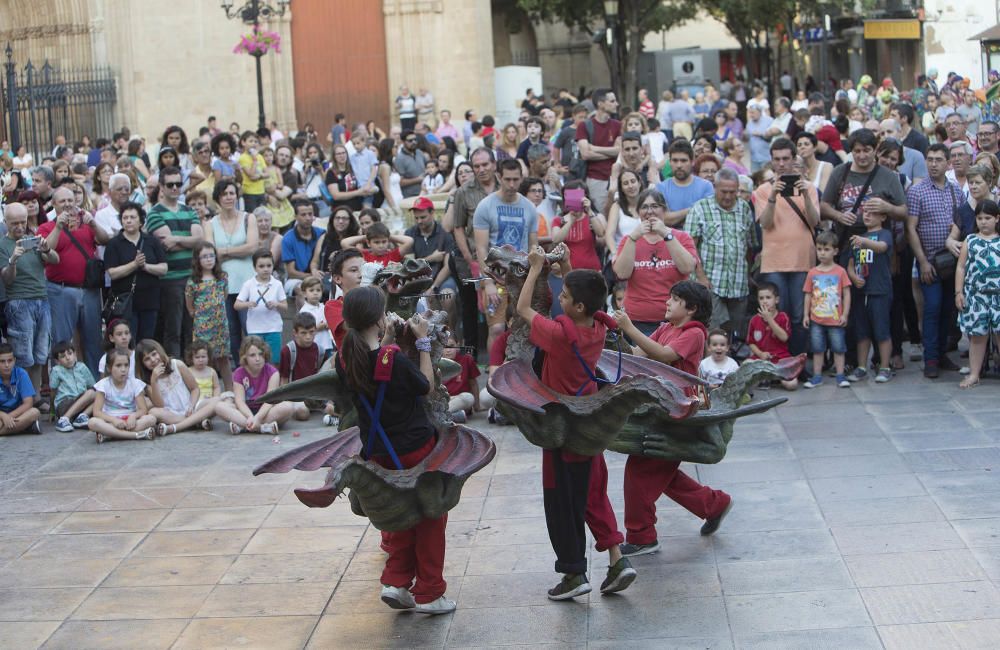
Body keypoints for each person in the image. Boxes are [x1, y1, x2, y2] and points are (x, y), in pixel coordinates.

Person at [516, 248, 637, 599]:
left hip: (562, 429)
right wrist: (567, 267)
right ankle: (617, 559)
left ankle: (573, 573)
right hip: (590, 423)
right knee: (593, 493)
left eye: (565, 295)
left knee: (562, 502)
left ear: (578, 306)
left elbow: (524, 310)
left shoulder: (558, 335)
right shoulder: (598, 327)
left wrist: (535, 268)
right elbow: (586, 297)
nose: (560, 297)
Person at [335, 286, 456, 613]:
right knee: (431, 515)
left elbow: (375, 363)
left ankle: (396, 581)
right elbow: (426, 387)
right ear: (377, 317)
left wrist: (385, 338)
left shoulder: (344, 359)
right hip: (415, 450)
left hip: (378, 453)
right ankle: (430, 591)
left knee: (399, 512)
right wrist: (423, 342)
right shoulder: (395, 360)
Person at [613, 281, 733, 556]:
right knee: (661, 473)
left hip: (675, 413)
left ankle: (642, 536)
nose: (667, 302)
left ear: (691, 309)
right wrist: (615, 337)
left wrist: (630, 327)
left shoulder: (695, 333)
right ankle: (714, 504)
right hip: (656, 408)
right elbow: (638, 353)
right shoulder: (667, 328)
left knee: (640, 473)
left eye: (675, 299)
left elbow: (665, 356)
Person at [755, 138, 821, 355]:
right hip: (774, 263)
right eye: (777, 159)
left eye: (786, 159)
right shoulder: (763, 190)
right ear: (772, 161)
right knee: (777, 315)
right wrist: (773, 195)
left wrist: (805, 196)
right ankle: (779, 362)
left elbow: (814, 221)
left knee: (799, 315)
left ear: (794, 160)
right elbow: (765, 223)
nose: (782, 164)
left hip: (802, 261)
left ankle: (799, 362)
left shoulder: (810, 188)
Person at [39, 186, 111, 377]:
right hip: (60, 290)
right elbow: (47, 250)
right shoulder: (46, 226)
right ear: (54, 205)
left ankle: (97, 385)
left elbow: (105, 240)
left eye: (70, 200)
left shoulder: (87, 223)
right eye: (62, 201)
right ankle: (62, 388)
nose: (67, 204)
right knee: (62, 342)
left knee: (93, 340)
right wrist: (58, 227)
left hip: (89, 290)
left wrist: (93, 224)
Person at [906, 143, 964, 378]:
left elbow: (960, 224)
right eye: (930, 159)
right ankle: (930, 357)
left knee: (948, 310)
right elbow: (911, 229)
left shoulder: (955, 191)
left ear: (947, 163)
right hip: (930, 261)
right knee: (932, 307)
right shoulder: (917, 191)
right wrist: (922, 261)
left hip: (952, 262)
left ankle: (941, 354)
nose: (933, 164)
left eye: (939, 160)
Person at [613, 188, 698, 336]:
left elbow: (688, 268)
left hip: (675, 320)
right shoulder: (629, 239)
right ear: (638, 212)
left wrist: (666, 234)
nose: (650, 211)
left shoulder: (681, 237)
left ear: (664, 210)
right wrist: (633, 238)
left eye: (655, 206)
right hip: (637, 321)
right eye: (644, 207)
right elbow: (621, 273)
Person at [474, 159, 538, 350]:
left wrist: (533, 279)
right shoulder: (486, 206)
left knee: (523, 327)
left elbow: (533, 246)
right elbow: (481, 249)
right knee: (496, 328)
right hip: (495, 277)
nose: (511, 184)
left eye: (516, 180)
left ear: (521, 179)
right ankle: (494, 371)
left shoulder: (529, 207)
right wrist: (488, 283)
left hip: (521, 278)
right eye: (507, 179)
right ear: (499, 177)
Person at [686, 167, 759, 335]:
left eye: (732, 192)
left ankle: (728, 361)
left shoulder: (745, 208)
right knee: (714, 330)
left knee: (730, 332)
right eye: (723, 191)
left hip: (737, 283)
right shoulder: (700, 208)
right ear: (715, 188)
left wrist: (748, 275)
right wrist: (700, 276)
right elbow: (690, 247)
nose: (727, 196)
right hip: (711, 282)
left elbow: (749, 245)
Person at [145, 166, 203, 359]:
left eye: (178, 184)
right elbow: (166, 245)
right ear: (161, 186)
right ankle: (176, 371)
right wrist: (188, 240)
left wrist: (178, 240)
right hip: (170, 280)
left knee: (192, 328)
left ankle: (192, 372)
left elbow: (199, 241)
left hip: (192, 277)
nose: (175, 188)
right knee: (173, 330)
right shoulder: (155, 213)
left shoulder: (190, 210)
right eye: (170, 184)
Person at [0, 202, 58, 391]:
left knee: (41, 353)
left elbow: (56, 260)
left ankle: (35, 397)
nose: (18, 227)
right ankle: (21, 397)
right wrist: (13, 260)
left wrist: (46, 249)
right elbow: (7, 279)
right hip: (18, 301)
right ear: (6, 222)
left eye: (22, 222)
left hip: (42, 299)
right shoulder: (3, 245)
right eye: (14, 223)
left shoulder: (32, 239)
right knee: (23, 355)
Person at [215, 336, 308, 435]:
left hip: (266, 411)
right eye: (252, 355)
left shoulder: (273, 372)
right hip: (245, 411)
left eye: (260, 354)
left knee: (288, 407)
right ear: (244, 357)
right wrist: (250, 416)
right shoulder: (239, 373)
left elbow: (270, 401)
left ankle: (243, 426)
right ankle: (262, 428)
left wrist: (257, 417)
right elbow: (240, 401)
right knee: (219, 406)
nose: (258, 359)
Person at [103, 201, 168, 340]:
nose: (128, 221)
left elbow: (163, 268)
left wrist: (146, 267)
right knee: (128, 340)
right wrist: (134, 265)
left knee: (147, 340)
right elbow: (112, 273)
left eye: (132, 217)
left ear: (141, 221)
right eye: (125, 218)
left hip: (150, 300)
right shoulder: (114, 244)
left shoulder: (151, 241)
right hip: (125, 303)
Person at [844, 202, 894, 383]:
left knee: (882, 330)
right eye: (865, 213)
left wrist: (864, 242)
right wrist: (853, 276)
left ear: (883, 217)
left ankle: (885, 366)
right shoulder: (858, 238)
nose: (867, 216)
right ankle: (861, 366)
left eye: (873, 213)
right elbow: (850, 264)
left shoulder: (884, 234)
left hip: (879, 290)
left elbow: (882, 247)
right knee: (862, 332)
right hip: (861, 291)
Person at [955, 199, 1000, 388]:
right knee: (977, 338)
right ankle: (974, 373)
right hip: (976, 296)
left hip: (998, 296)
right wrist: (958, 292)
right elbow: (961, 267)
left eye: (988, 218)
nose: (983, 222)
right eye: (980, 218)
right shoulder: (970, 240)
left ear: (997, 218)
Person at [802, 230, 852, 388]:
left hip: (835, 319)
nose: (822, 253)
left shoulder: (840, 271)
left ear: (835, 251)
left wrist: (845, 314)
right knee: (817, 349)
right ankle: (817, 376)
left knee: (838, 348)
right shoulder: (812, 273)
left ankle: (840, 375)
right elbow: (808, 295)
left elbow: (847, 294)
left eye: (826, 249)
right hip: (816, 319)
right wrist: (805, 315)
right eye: (819, 249)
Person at [136, 339, 216, 435]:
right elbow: (160, 405)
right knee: (154, 412)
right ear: (143, 364)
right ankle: (196, 421)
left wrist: (191, 405)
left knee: (217, 400)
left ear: (160, 351)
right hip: (171, 414)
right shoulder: (148, 381)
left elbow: (195, 389)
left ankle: (189, 422)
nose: (153, 360)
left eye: (154, 354)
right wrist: (154, 381)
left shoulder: (177, 364)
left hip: (191, 407)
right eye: (147, 359)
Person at [186, 241, 232, 391]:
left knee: (224, 358)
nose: (209, 259)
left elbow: (224, 297)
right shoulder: (193, 282)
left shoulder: (222, 278)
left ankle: (230, 392)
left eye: (211, 255)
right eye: (204, 256)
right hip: (202, 327)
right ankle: (209, 392)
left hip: (220, 325)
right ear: (197, 260)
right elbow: (190, 306)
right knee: (206, 358)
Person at [88, 348, 156, 442]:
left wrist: (133, 416)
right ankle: (136, 435)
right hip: (111, 421)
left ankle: (111, 435)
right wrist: (113, 420)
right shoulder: (103, 384)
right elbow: (96, 412)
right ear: (109, 368)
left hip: (130, 421)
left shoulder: (135, 383)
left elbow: (143, 409)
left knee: (151, 419)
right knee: (92, 422)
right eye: (118, 366)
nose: (123, 369)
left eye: (126, 365)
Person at [235, 251, 287, 364]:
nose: (266, 269)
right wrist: (248, 304)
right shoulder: (248, 284)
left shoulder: (277, 284)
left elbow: (285, 306)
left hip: (274, 328)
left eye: (269, 265)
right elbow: (237, 305)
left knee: (274, 360)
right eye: (261, 266)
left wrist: (276, 304)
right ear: (254, 267)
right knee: (256, 361)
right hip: (255, 329)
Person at [576, 88, 622, 213]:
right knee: (600, 217)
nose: (616, 104)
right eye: (612, 101)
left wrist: (594, 148)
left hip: (616, 179)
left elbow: (620, 151)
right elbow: (585, 154)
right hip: (595, 180)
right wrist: (612, 153)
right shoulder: (584, 125)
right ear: (601, 104)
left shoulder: (618, 125)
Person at [745, 283, 798, 390]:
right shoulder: (754, 320)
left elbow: (784, 337)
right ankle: (765, 377)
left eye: (768, 297)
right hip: (761, 359)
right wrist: (760, 353)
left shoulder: (783, 317)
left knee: (792, 385)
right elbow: (751, 342)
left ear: (776, 300)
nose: (765, 301)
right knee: (746, 365)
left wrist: (769, 319)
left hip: (780, 359)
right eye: (761, 298)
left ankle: (774, 377)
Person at [655, 140, 714, 228]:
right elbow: (664, 219)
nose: (679, 165)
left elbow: (707, 220)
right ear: (669, 162)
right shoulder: (661, 188)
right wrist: (694, 209)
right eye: (675, 160)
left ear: (692, 162)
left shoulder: (706, 186)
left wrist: (675, 217)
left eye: (683, 161)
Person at [550, 181, 606, 272]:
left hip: (591, 270)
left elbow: (601, 233)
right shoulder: (558, 220)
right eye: (573, 195)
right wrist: (571, 220)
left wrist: (589, 211)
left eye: (579, 195)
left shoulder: (591, 218)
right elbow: (556, 239)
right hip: (568, 271)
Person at [280, 198, 324, 308]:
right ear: (295, 217)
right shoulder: (288, 238)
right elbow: (291, 272)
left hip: (319, 276)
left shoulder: (321, 233)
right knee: (301, 290)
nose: (308, 218)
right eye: (303, 215)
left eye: (310, 214)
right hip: (296, 279)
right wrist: (312, 276)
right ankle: (304, 322)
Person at [50, 340, 96, 432]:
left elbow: (93, 385)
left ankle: (82, 417)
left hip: (81, 404)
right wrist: (52, 412)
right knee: (92, 393)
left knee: (99, 394)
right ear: (57, 361)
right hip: (65, 404)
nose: (68, 358)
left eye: (70, 353)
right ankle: (64, 419)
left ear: (75, 355)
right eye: (63, 356)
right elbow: (53, 392)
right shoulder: (56, 370)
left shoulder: (82, 367)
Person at [324, 248, 364, 353]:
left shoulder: (379, 298)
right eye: (354, 270)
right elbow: (355, 327)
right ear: (337, 278)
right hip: (352, 364)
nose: (361, 275)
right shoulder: (333, 306)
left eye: (364, 269)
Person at [0, 342, 41, 435]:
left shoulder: (21, 374)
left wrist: (8, 417)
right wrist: (3, 416)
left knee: (34, 412)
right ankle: (24, 427)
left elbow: (28, 403)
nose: (7, 365)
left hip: (18, 414)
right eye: (2, 361)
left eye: (10, 361)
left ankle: (5, 430)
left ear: (14, 360)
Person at [280, 311, 322, 388]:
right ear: (295, 333)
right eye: (303, 333)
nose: (308, 337)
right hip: (293, 396)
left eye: (311, 332)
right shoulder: (287, 351)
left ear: (316, 331)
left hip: (312, 395)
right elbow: (284, 379)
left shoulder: (320, 351)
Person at [237, 131, 268, 212]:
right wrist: (254, 161)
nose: (253, 143)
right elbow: (251, 175)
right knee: (252, 215)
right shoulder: (243, 158)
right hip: (249, 193)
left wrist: (258, 176)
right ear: (243, 142)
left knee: (262, 214)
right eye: (251, 141)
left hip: (261, 191)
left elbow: (267, 173)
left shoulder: (260, 156)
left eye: (255, 141)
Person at [396, 130, 428, 199]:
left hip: (425, 193)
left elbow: (427, 167)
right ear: (403, 142)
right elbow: (400, 182)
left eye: (415, 139)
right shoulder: (399, 158)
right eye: (410, 140)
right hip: (410, 196)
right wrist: (417, 179)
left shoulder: (419, 152)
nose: (414, 142)